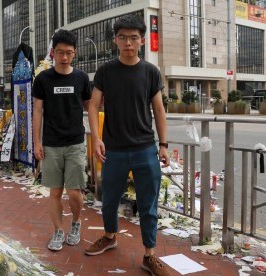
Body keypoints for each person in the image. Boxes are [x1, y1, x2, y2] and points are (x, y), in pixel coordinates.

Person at [85, 15, 171, 275]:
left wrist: (164, 144)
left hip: (145, 148)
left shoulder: (150, 72)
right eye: (123, 37)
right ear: (115, 40)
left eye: (134, 37)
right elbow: (92, 105)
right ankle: (110, 236)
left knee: (148, 204)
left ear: (142, 41)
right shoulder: (105, 71)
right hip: (114, 150)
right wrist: (96, 138)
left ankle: (149, 255)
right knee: (109, 200)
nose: (128, 42)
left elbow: (159, 110)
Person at [32, 29, 91, 251]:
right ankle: (58, 230)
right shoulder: (43, 79)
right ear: (52, 52)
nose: (64, 57)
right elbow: (37, 111)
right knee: (55, 192)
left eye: (68, 53)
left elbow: (89, 106)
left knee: (75, 191)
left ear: (74, 53)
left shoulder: (82, 78)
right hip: (51, 143)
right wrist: (37, 142)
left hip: (75, 142)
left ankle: (75, 223)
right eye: (59, 52)